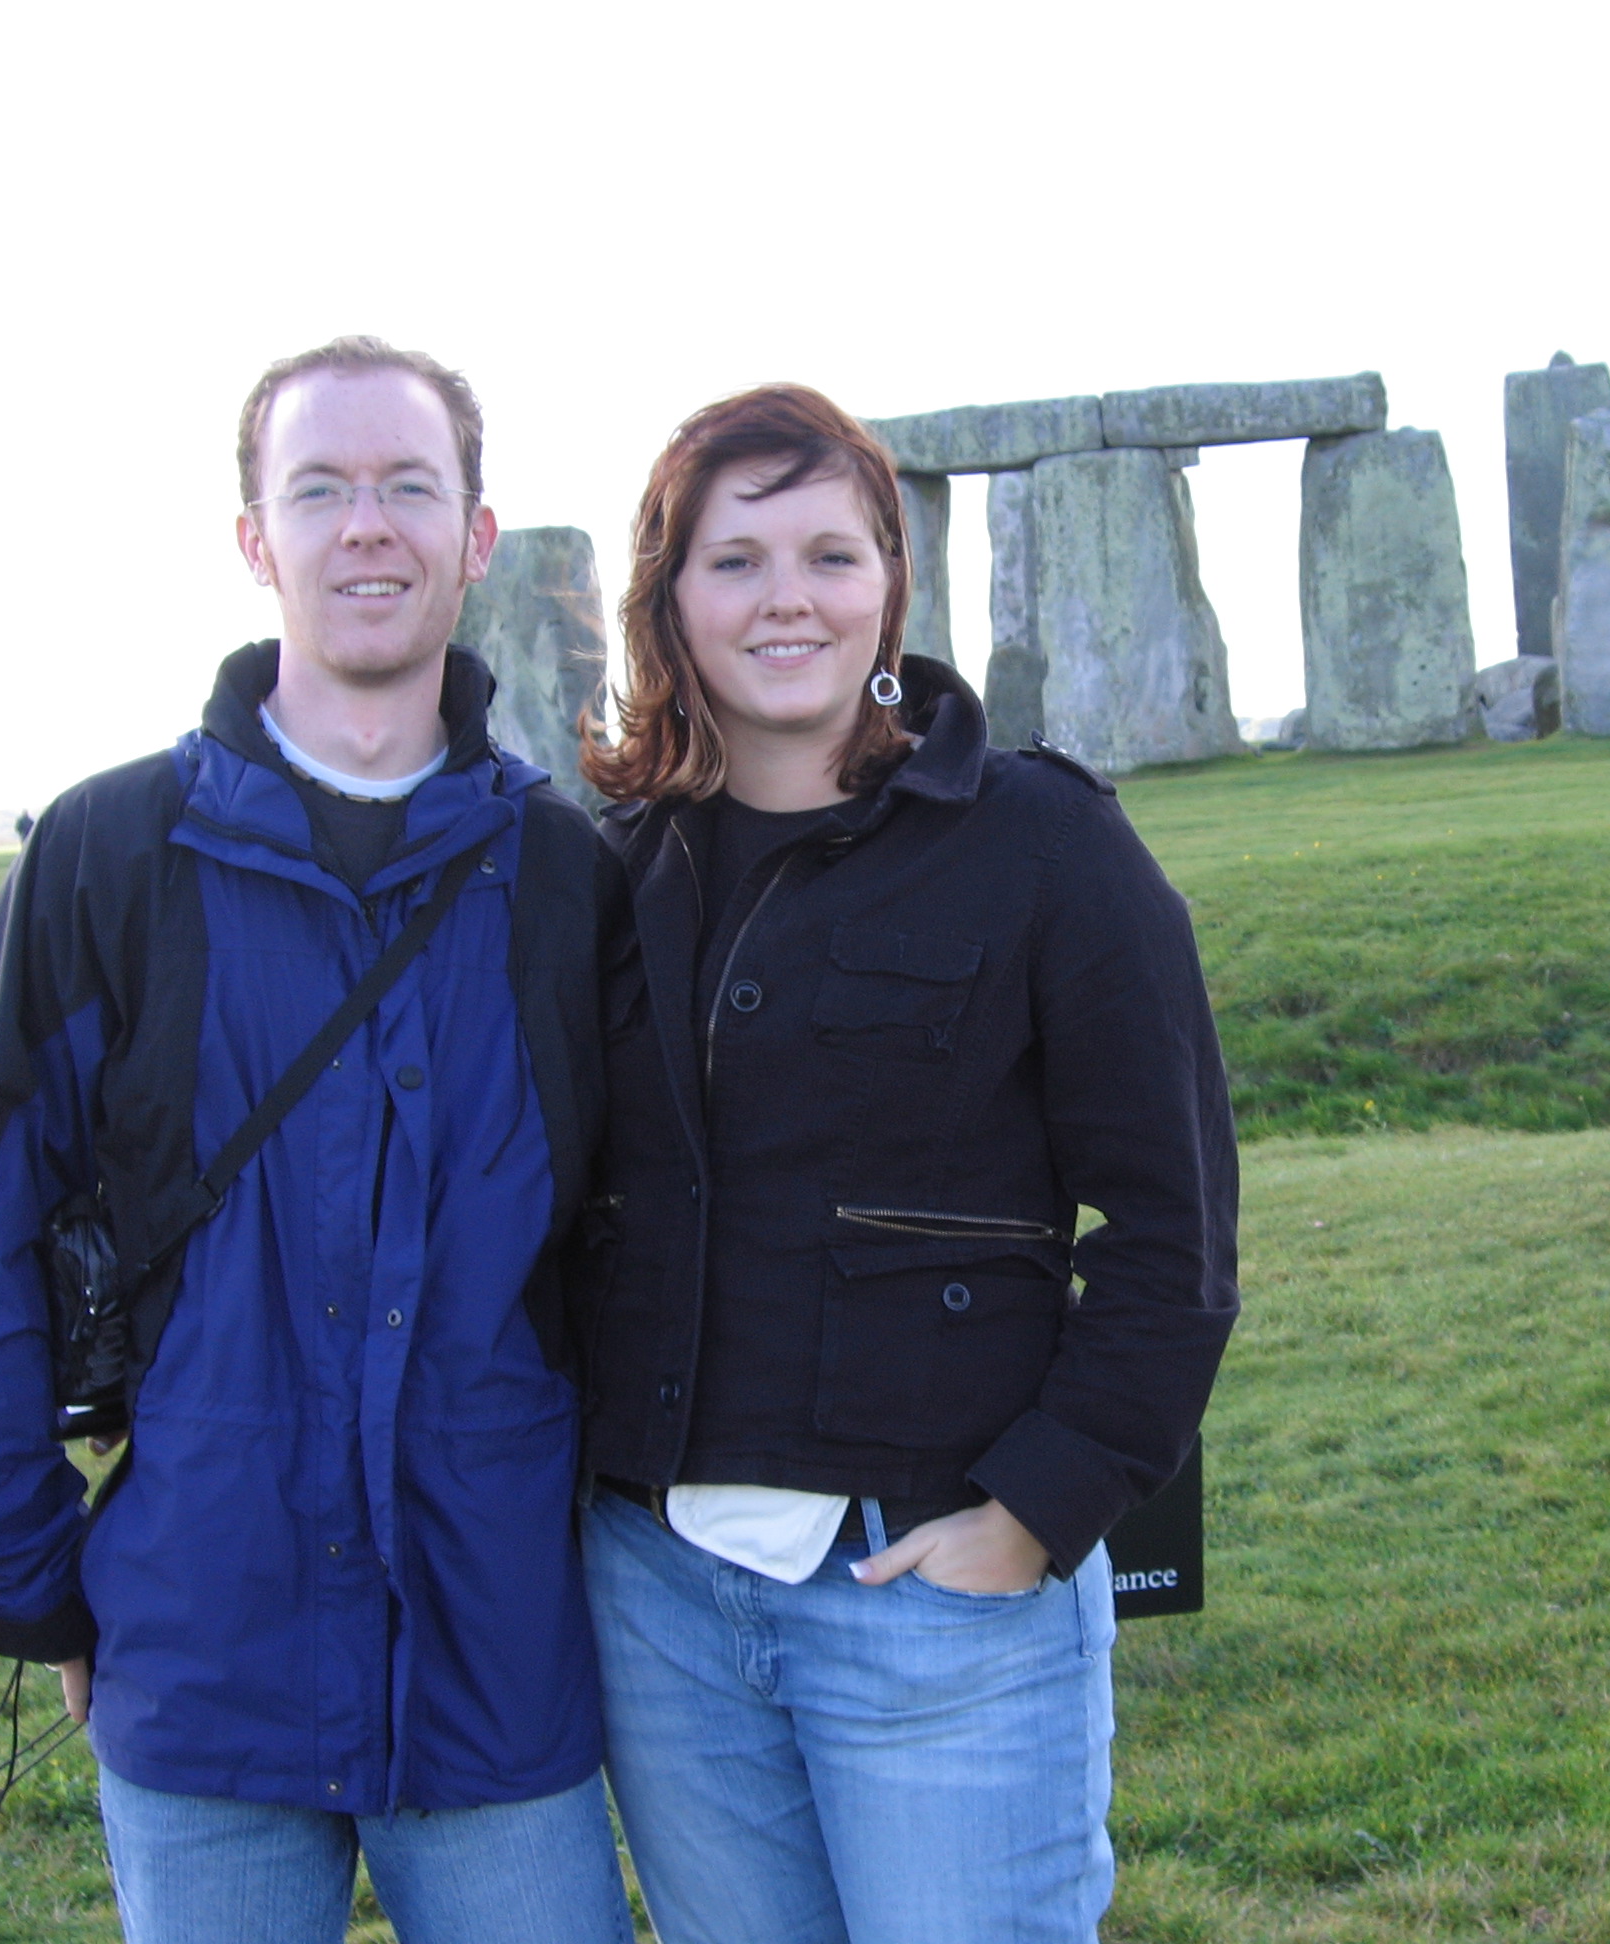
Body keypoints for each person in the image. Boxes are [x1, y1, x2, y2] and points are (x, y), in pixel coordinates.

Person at [0, 337, 631, 1944]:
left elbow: (633, 1247)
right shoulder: (110, 855)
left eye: (406, 487)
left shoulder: (568, 880)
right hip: (202, 1635)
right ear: (255, 539)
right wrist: (28, 1578)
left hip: (490, 1644)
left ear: (477, 534)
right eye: (320, 488)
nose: (366, 524)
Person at [573, 384, 1241, 1944]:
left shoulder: (1046, 847)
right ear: (667, 600)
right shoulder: (605, 878)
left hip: (932, 1594)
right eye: (734, 561)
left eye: (831, 552)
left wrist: (1043, 1507)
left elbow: (1173, 1231)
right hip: (661, 1606)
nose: (786, 596)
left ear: (891, 583)